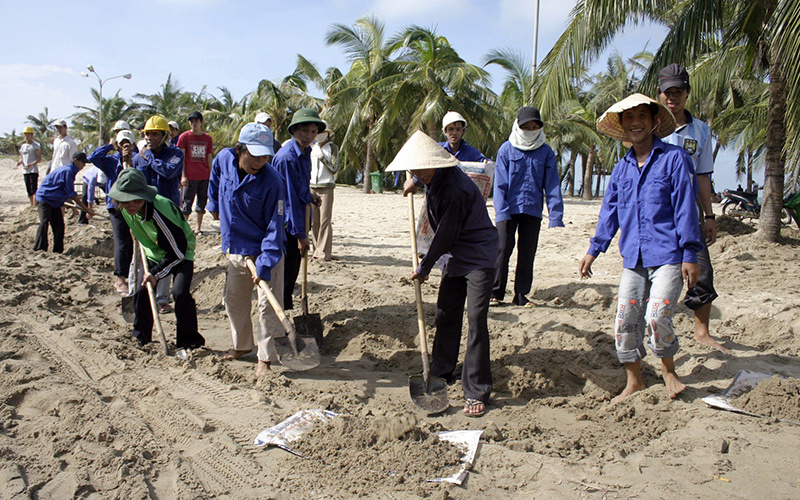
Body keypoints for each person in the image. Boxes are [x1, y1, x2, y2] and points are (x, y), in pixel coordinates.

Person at [579, 93, 703, 402]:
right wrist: (594, 249)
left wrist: (690, 253)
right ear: (623, 126)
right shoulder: (621, 169)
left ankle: (668, 370)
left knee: (657, 315)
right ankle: (634, 380)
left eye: (641, 117)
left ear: (654, 122)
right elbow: (610, 211)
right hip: (632, 258)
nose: (636, 123)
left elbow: (686, 208)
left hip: (669, 256)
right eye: (629, 119)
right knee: (625, 321)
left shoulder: (674, 159)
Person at [389, 131, 498, 417]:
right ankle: (441, 370)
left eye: (422, 168)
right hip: (454, 255)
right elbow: (442, 233)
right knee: (445, 313)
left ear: (437, 163)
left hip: (478, 256)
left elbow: (445, 235)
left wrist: (423, 268)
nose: (417, 172)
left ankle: (476, 389)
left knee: (476, 319)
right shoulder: (431, 178)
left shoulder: (455, 189)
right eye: (413, 168)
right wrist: (413, 181)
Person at [658, 63, 727, 353]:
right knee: (654, 270)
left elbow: (702, 176)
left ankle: (701, 331)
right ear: (660, 95)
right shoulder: (649, 126)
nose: (672, 97)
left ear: (687, 93)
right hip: (658, 211)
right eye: (667, 92)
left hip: (690, 212)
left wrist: (709, 215)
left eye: (678, 91)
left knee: (701, 269)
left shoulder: (700, 130)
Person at [208, 123, 285, 376]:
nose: (260, 161)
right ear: (239, 149)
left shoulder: (273, 182)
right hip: (235, 248)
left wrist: (265, 264)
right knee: (234, 300)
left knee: (267, 306)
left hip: (265, 252)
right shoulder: (223, 158)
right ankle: (242, 345)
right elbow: (215, 176)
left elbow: (275, 227)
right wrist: (213, 202)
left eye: (265, 156)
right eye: (254, 155)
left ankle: (265, 357)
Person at [108, 168, 205, 350]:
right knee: (143, 292)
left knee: (180, 292)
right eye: (126, 201)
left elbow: (178, 251)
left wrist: (154, 273)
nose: (131, 205)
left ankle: (189, 340)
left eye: (136, 200)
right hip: (155, 252)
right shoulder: (125, 210)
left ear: (145, 197)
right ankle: (141, 336)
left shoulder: (159, 213)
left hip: (181, 252)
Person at [492, 107, 564, 307]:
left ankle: (521, 294)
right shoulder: (506, 149)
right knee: (502, 251)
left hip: (532, 210)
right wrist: (501, 212)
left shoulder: (546, 152)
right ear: (518, 126)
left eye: (535, 126)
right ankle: (495, 293)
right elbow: (499, 184)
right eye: (526, 126)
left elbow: (552, 184)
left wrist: (555, 215)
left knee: (527, 253)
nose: (530, 130)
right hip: (508, 210)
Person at [272, 108, 324, 309]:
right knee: (286, 273)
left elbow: (298, 187)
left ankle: (284, 310)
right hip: (287, 223)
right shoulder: (287, 158)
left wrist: (309, 195)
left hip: (298, 218)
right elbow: (289, 200)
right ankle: (280, 315)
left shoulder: (305, 152)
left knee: (292, 271)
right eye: (304, 131)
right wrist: (300, 235)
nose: (308, 136)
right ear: (294, 131)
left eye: (312, 132)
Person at [134, 115, 184, 313]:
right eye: (147, 134)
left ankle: (162, 298)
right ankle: (141, 295)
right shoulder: (140, 157)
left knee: (166, 255)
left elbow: (168, 172)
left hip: (168, 213)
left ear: (164, 136)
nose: (149, 138)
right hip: (145, 214)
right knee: (145, 255)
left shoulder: (176, 154)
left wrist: (150, 158)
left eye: (154, 134)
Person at [89, 129, 138, 295]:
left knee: (138, 241)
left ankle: (136, 275)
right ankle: (120, 277)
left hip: (135, 205)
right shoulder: (111, 161)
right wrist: (109, 146)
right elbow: (93, 157)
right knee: (122, 241)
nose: (125, 147)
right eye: (122, 144)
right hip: (116, 207)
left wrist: (129, 160)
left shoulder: (138, 159)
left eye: (128, 144)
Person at [34, 151, 95, 253]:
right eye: (83, 162)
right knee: (44, 222)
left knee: (59, 226)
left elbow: (66, 192)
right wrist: (86, 209)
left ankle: (58, 251)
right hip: (45, 198)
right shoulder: (68, 171)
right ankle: (40, 249)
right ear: (76, 161)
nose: (84, 165)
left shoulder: (71, 170)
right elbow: (72, 194)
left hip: (55, 201)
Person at [177, 111, 213, 235]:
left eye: (196, 121)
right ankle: (184, 228)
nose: (194, 124)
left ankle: (198, 228)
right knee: (187, 203)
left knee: (201, 203)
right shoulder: (184, 137)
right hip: (190, 176)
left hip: (204, 175)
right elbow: (181, 158)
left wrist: (211, 175)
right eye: (191, 121)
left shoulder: (207, 138)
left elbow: (209, 157)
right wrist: (183, 175)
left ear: (201, 122)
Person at [309, 123, 339, 261]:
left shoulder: (332, 148)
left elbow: (334, 168)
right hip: (312, 186)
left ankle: (324, 252)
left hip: (326, 186)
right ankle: (316, 249)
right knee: (314, 221)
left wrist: (322, 157)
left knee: (325, 220)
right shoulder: (312, 148)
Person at [17, 126, 41, 208]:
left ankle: (35, 205)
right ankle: (31, 205)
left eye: (28, 134)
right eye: (25, 134)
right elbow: (21, 156)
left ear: (32, 135)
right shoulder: (23, 146)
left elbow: (39, 159)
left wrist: (31, 164)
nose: (27, 136)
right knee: (28, 189)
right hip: (25, 171)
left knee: (33, 188)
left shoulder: (35, 145)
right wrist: (20, 162)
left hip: (33, 170)